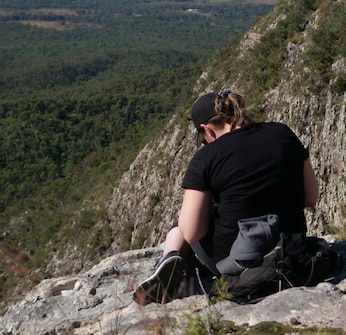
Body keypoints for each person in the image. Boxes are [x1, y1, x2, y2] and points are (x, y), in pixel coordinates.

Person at [134, 89, 320, 305]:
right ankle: (173, 261)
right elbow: (311, 197)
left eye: (203, 139)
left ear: (207, 131)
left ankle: (170, 257)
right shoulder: (283, 132)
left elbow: (193, 232)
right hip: (293, 250)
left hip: (243, 261)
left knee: (181, 227)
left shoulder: (206, 157)